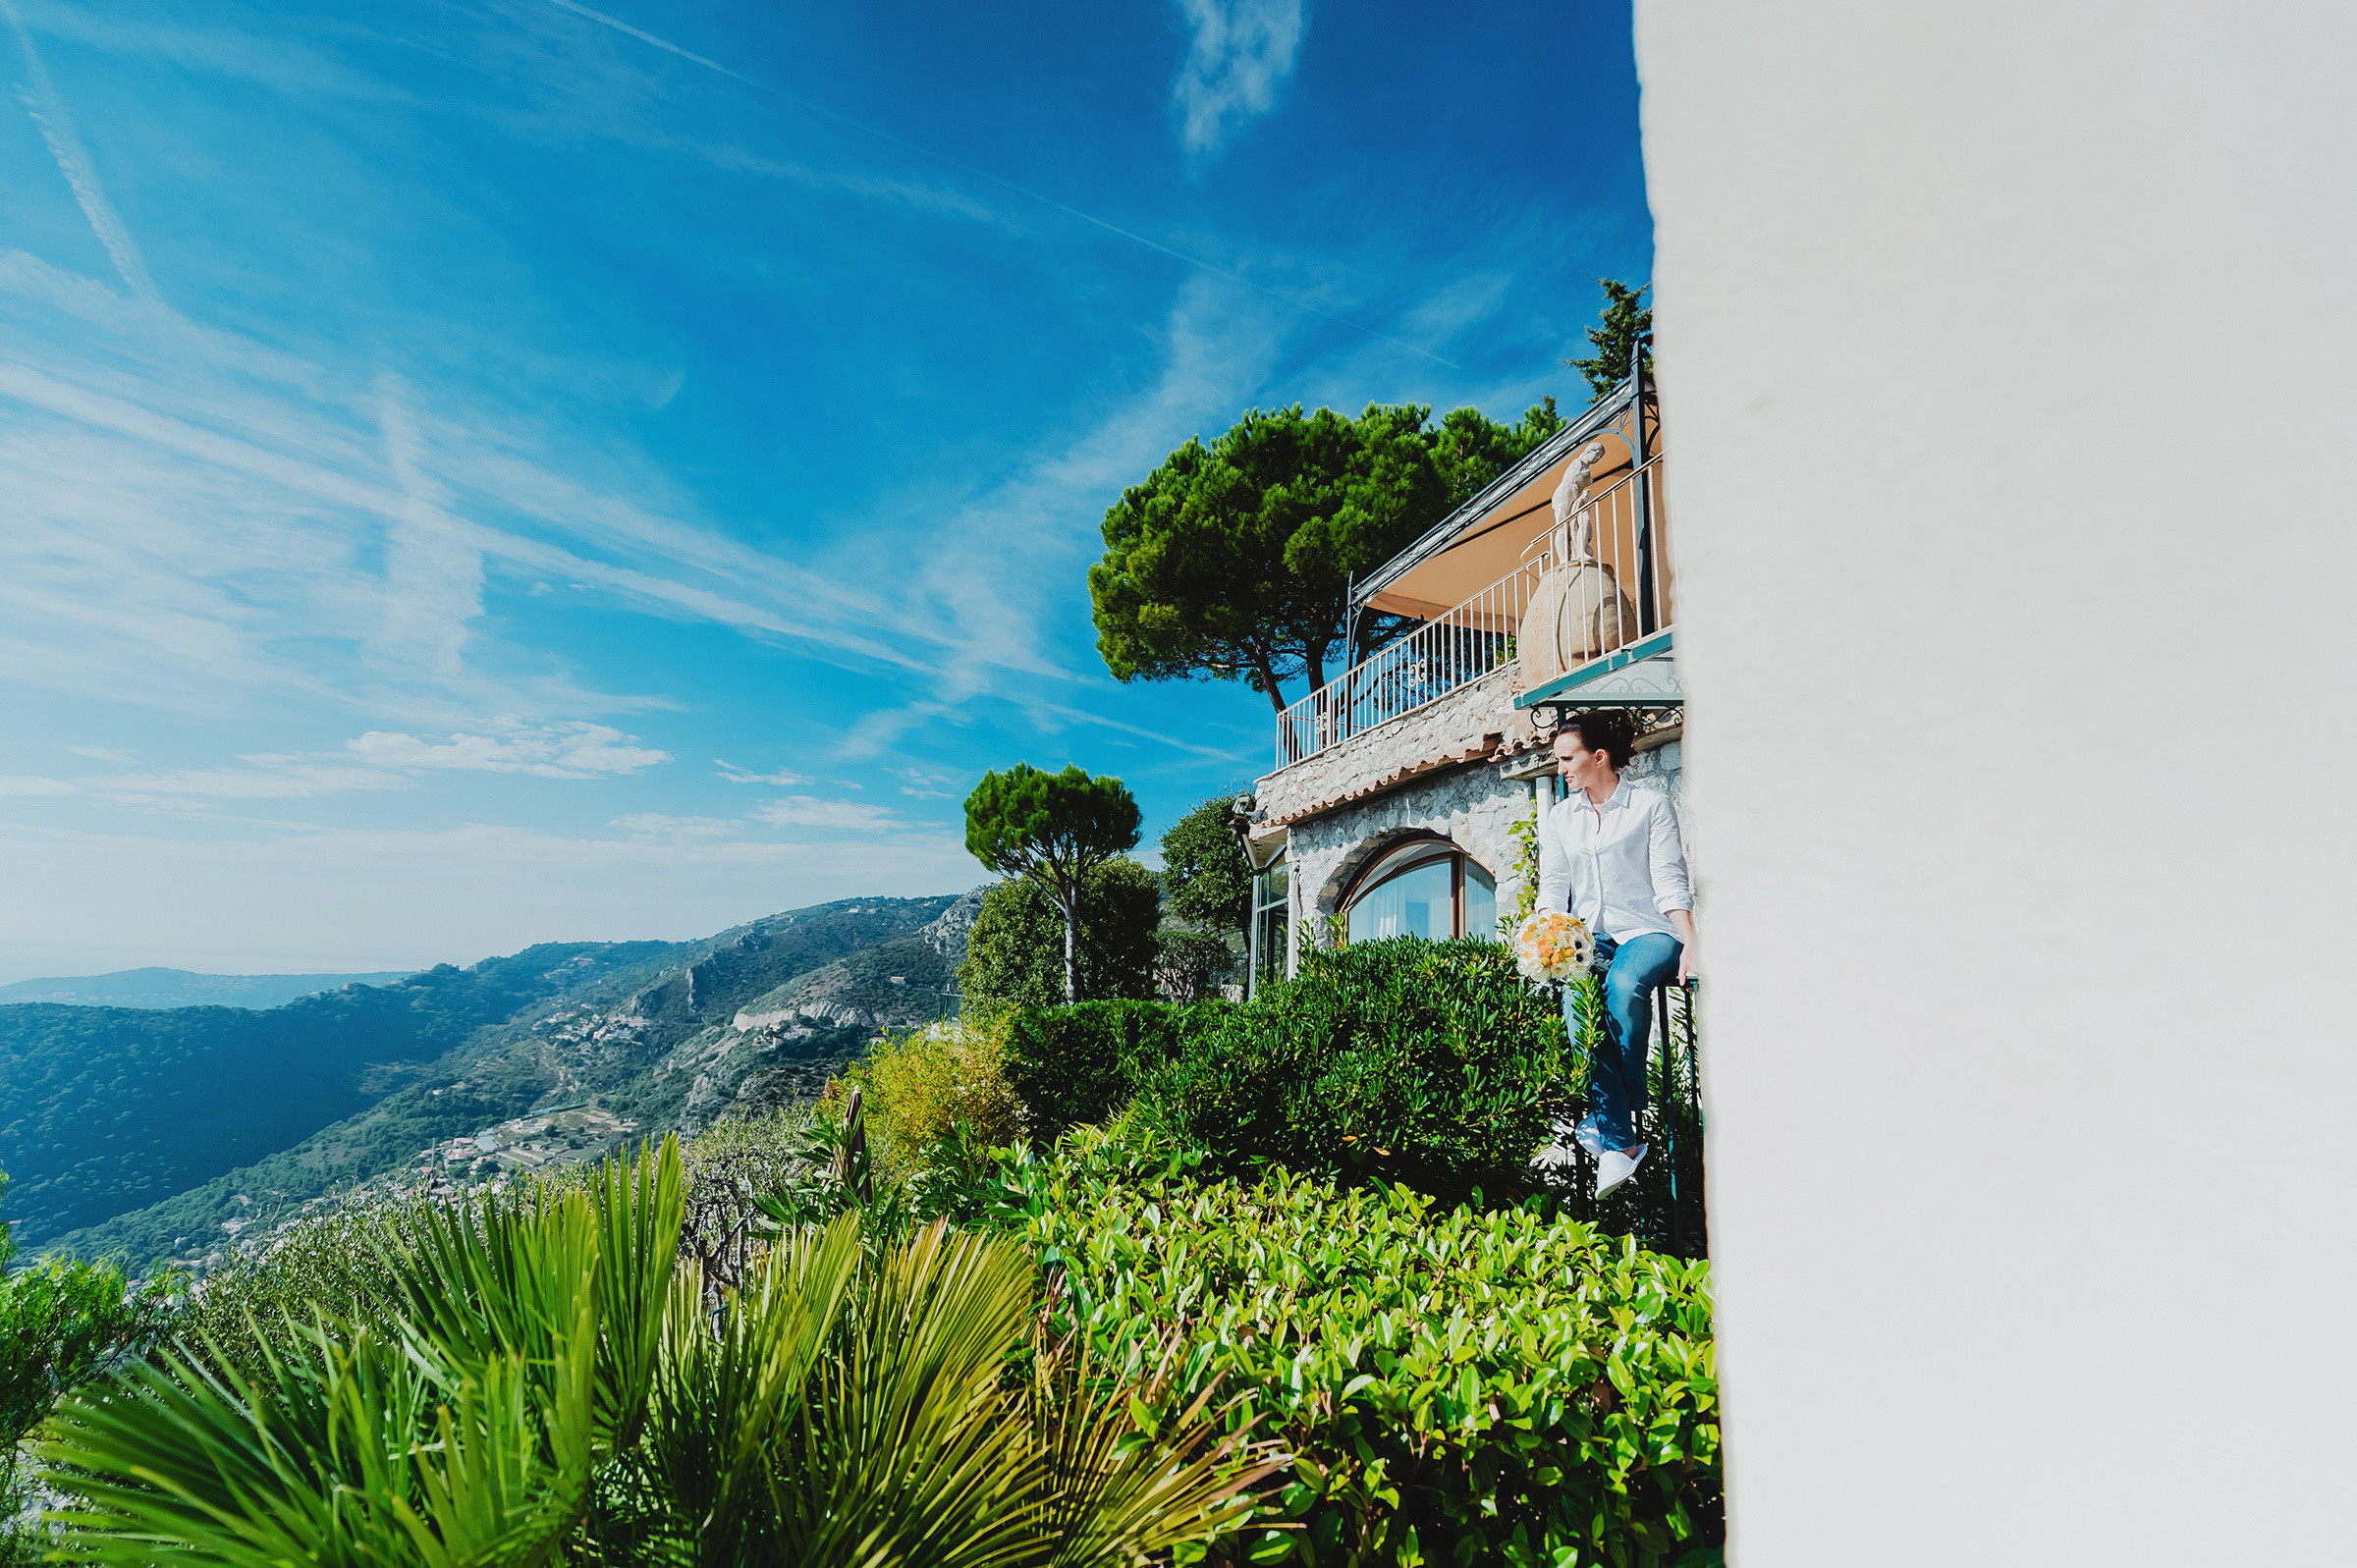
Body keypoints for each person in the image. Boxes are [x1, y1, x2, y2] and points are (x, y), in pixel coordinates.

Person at [1533, 708, 1695, 1198]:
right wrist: (1546, 934)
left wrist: (1691, 943)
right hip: (1590, 937)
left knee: (1625, 986)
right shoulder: (1561, 817)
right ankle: (1623, 1142)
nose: (1559, 767)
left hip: (1649, 931)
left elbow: (1669, 880)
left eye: (1567, 758)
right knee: (1579, 1013)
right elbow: (1554, 886)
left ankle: (1614, 1123)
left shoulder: (1649, 806)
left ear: (1598, 757)